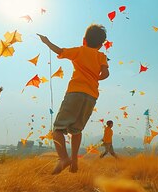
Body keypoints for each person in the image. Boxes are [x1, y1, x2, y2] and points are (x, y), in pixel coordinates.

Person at [38, 24, 109, 174]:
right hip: (91, 96)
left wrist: (46, 41)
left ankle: (64, 158)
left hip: (75, 93)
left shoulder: (79, 50)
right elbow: (105, 73)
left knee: (58, 129)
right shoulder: (101, 56)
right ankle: (75, 160)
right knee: (76, 130)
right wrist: (96, 77)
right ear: (101, 44)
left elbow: (60, 51)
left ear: (84, 40)